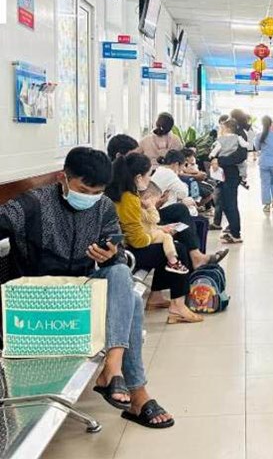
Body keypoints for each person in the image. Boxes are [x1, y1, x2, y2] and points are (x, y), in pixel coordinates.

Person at [0, 147, 174, 428]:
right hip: (39, 298)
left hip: (81, 292)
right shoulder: (33, 204)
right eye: (84, 190)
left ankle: (113, 367)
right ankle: (137, 394)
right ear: (63, 178)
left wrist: (110, 255)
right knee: (130, 302)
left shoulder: (103, 207)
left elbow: (117, 251)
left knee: (119, 271)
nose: (90, 197)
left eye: (97, 192)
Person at [106, 152, 203, 325]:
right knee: (178, 250)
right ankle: (178, 306)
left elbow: (138, 227)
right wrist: (158, 236)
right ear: (138, 177)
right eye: (148, 174)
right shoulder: (129, 199)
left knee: (170, 247)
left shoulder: (124, 194)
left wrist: (158, 230)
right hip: (128, 252)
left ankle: (158, 297)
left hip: (126, 246)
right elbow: (138, 241)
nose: (150, 179)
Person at [140, 184, 189, 275]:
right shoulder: (141, 210)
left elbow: (151, 225)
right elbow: (155, 219)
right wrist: (151, 207)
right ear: (147, 198)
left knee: (167, 236)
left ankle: (173, 261)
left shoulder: (143, 210)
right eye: (154, 201)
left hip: (147, 233)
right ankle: (172, 261)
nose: (155, 204)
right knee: (167, 237)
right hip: (144, 236)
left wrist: (163, 228)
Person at [255, 115, 273, 212]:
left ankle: (267, 205)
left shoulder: (259, 136)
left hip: (264, 162)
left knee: (265, 183)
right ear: (271, 123)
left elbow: (257, 148)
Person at [210, 119, 249, 189]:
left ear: (227, 129)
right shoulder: (238, 137)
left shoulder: (221, 138)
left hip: (226, 164)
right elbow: (245, 145)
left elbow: (216, 148)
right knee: (243, 165)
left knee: (228, 190)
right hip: (231, 165)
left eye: (223, 128)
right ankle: (243, 177)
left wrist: (212, 156)